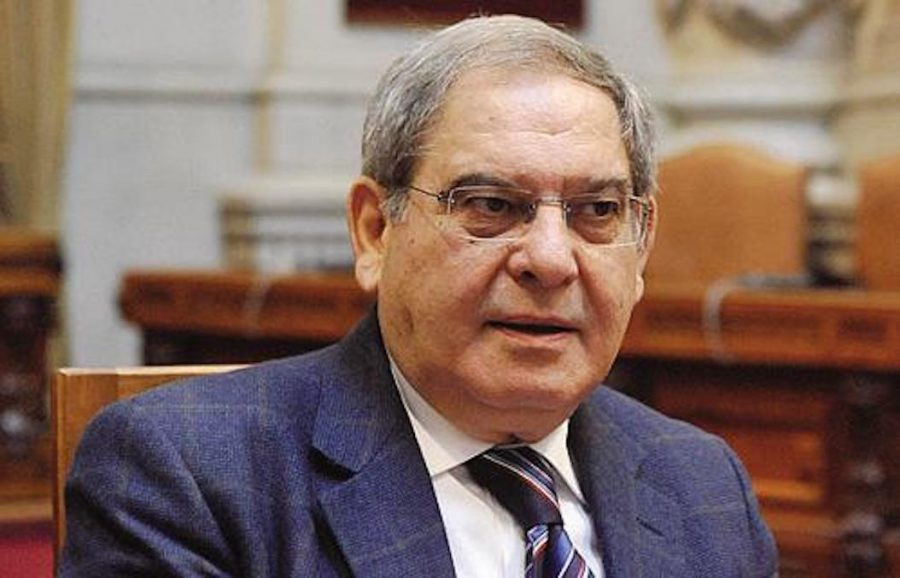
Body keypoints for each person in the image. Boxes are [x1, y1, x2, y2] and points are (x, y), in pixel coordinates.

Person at [60, 14, 777, 578]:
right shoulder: (188, 473)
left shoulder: (702, 485)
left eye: (597, 211)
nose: (551, 260)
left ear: (641, 246)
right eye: (491, 205)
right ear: (375, 231)